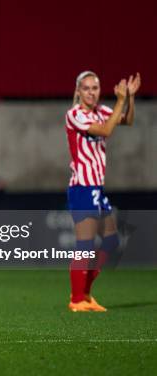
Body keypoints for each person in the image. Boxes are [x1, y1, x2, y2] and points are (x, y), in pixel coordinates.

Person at [65, 70, 140, 312]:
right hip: (82, 188)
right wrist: (120, 101)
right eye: (86, 88)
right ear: (78, 91)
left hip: (96, 188)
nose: (91, 92)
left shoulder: (102, 111)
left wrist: (130, 97)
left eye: (95, 88)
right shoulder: (75, 114)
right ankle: (76, 299)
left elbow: (126, 120)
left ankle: (85, 294)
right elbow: (106, 131)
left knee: (110, 240)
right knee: (85, 244)